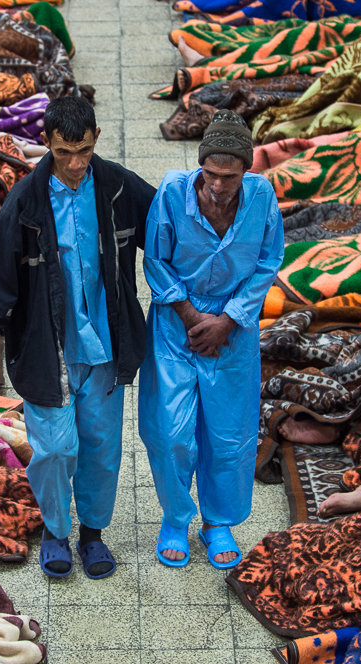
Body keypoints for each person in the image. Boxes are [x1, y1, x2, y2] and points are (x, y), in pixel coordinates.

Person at [0, 96, 156, 580]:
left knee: (102, 446)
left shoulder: (118, 186)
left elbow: (166, 229)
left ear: (97, 139)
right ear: (47, 143)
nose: (75, 163)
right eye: (64, 152)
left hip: (105, 348)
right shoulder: (25, 200)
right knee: (56, 449)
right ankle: (57, 532)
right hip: (47, 349)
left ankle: (93, 535)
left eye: (83, 150)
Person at [139, 111, 285, 570]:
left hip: (233, 331)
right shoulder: (171, 192)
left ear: (246, 171)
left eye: (230, 176)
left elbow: (268, 261)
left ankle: (218, 521)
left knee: (229, 432)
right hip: (175, 325)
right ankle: (176, 517)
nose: (219, 186)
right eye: (211, 174)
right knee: (172, 431)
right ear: (199, 167)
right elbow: (156, 260)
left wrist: (228, 320)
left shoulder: (261, 197)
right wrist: (190, 315)